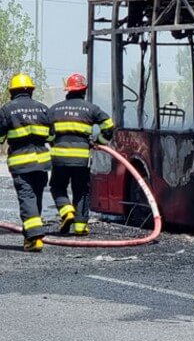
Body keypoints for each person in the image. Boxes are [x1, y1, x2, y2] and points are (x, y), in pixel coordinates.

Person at [48, 73, 114, 236]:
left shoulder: (55, 109)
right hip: (81, 160)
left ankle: (66, 211)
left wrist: (53, 142)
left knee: (57, 186)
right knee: (81, 191)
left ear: (67, 90)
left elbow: (46, 132)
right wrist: (99, 141)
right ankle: (80, 227)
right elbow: (109, 125)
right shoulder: (90, 109)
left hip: (60, 159)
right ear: (84, 90)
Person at [0, 74, 52, 251]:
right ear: (31, 90)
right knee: (35, 197)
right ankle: (30, 236)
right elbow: (52, 135)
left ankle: (35, 237)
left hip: (21, 162)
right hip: (42, 162)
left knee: (26, 197)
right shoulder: (43, 109)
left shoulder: (7, 110)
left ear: (12, 92)